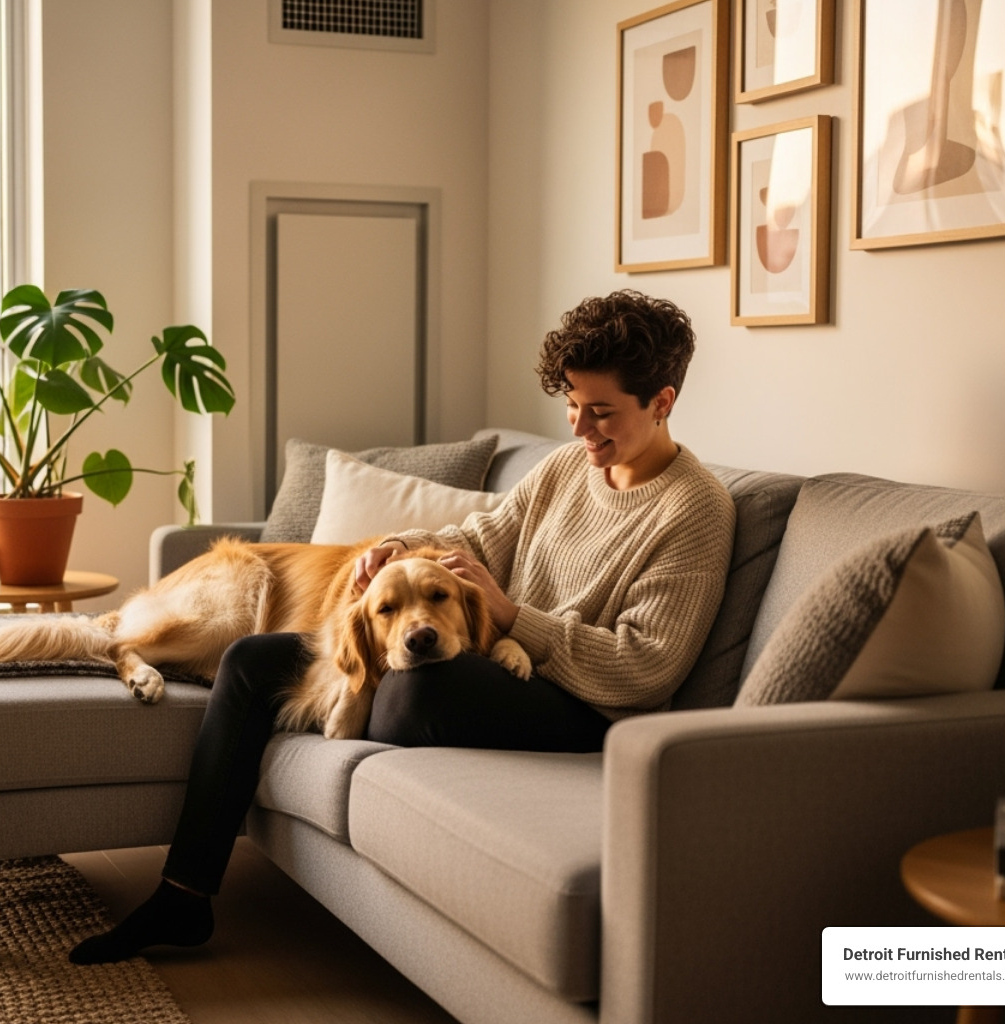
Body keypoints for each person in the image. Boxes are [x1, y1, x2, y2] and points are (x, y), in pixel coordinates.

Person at [67, 289, 736, 965]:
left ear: (661, 401)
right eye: (571, 404)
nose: (580, 427)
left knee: (414, 688)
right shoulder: (568, 468)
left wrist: (511, 617)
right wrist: (397, 548)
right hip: (500, 664)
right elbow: (479, 539)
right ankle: (182, 896)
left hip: (586, 706)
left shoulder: (695, 510)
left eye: (602, 412)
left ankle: (344, 701)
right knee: (246, 660)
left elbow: (643, 666)